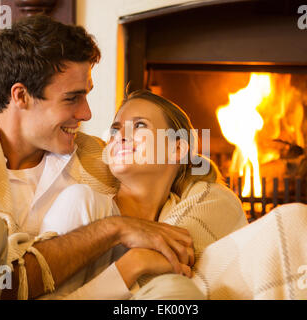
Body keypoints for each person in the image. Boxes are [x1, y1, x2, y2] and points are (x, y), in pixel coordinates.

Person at [0, 15, 234, 300]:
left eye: (87, 94)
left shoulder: (100, 159)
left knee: (175, 292)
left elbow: (185, 184)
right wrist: (116, 228)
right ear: (21, 96)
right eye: (72, 98)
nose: (87, 113)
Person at [36, 89, 248, 299]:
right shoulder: (83, 201)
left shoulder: (193, 213)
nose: (120, 137)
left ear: (177, 149)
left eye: (139, 125)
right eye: (115, 130)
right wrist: (132, 265)